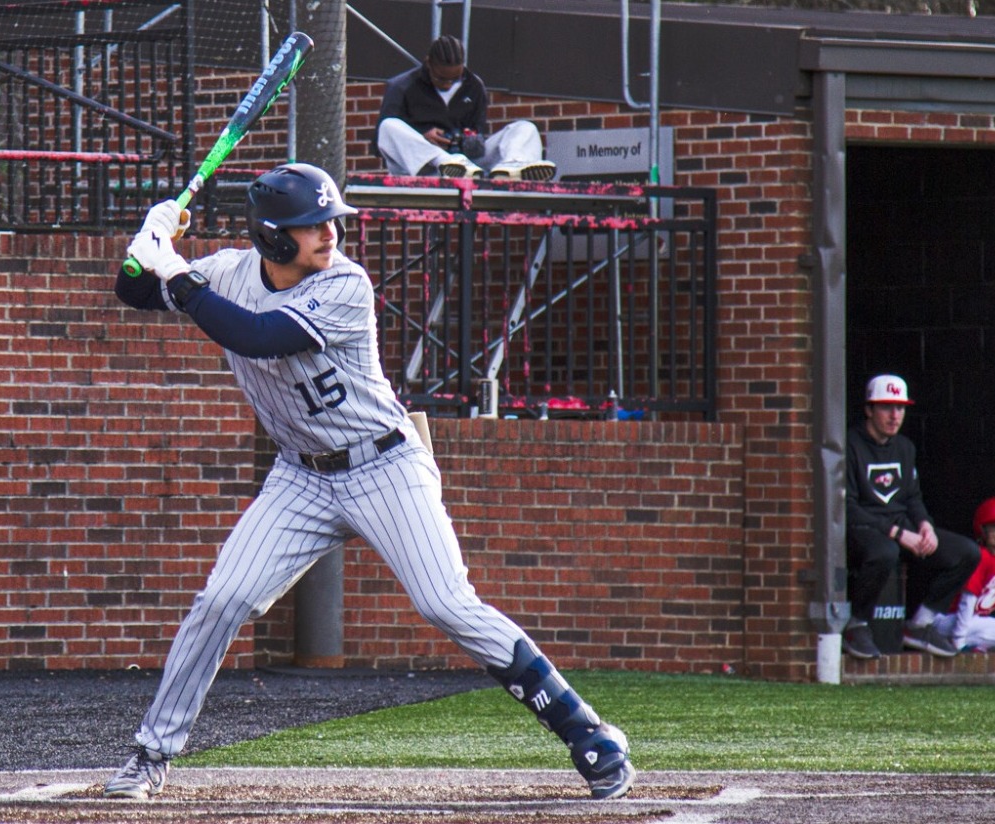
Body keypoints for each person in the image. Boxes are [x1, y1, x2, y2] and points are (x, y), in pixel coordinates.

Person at [110, 163, 634, 801]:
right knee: (222, 601)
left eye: (331, 220)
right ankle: (151, 754)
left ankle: (586, 729)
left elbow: (257, 336)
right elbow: (132, 291)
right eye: (311, 226)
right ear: (275, 237)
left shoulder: (345, 285)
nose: (329, 234)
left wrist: (175, 272)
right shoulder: (224, 274)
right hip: (299, 476)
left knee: (447, 603)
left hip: (383, 463)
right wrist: (149, 243)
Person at [843, 375, 980, 660]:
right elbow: (848, 506)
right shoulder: (850, 444)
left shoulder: (905, 447)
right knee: (886, 552)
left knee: (967, 553)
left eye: (900, 408)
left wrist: (925, 525)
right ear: (869, 409)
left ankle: (920, 624)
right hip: (864, 526)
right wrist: (897, 533)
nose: (895, 416)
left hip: (901, 524)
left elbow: (912, 498)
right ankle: (856, 624)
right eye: (886, 407)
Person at [374, 35, 556, 181]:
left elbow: (479, 137)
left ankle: (512, 167)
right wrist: (422, 136)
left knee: (525, 128)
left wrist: (466, 141)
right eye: (441, 78)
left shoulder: (474, 85)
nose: (448, 84)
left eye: (455, 79)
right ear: (428, 63)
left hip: (469, 167)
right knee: (388, 126)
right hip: (422, 167)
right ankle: (447, 163)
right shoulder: (402, 86)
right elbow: (380, 144)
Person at [932, 497, 995, 653]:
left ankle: (978, 646)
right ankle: (950, 641)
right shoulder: (979, 556)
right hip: (946, 619)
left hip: (973, 622)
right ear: (983, 530)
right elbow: (967, 600)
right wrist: (958, 641)